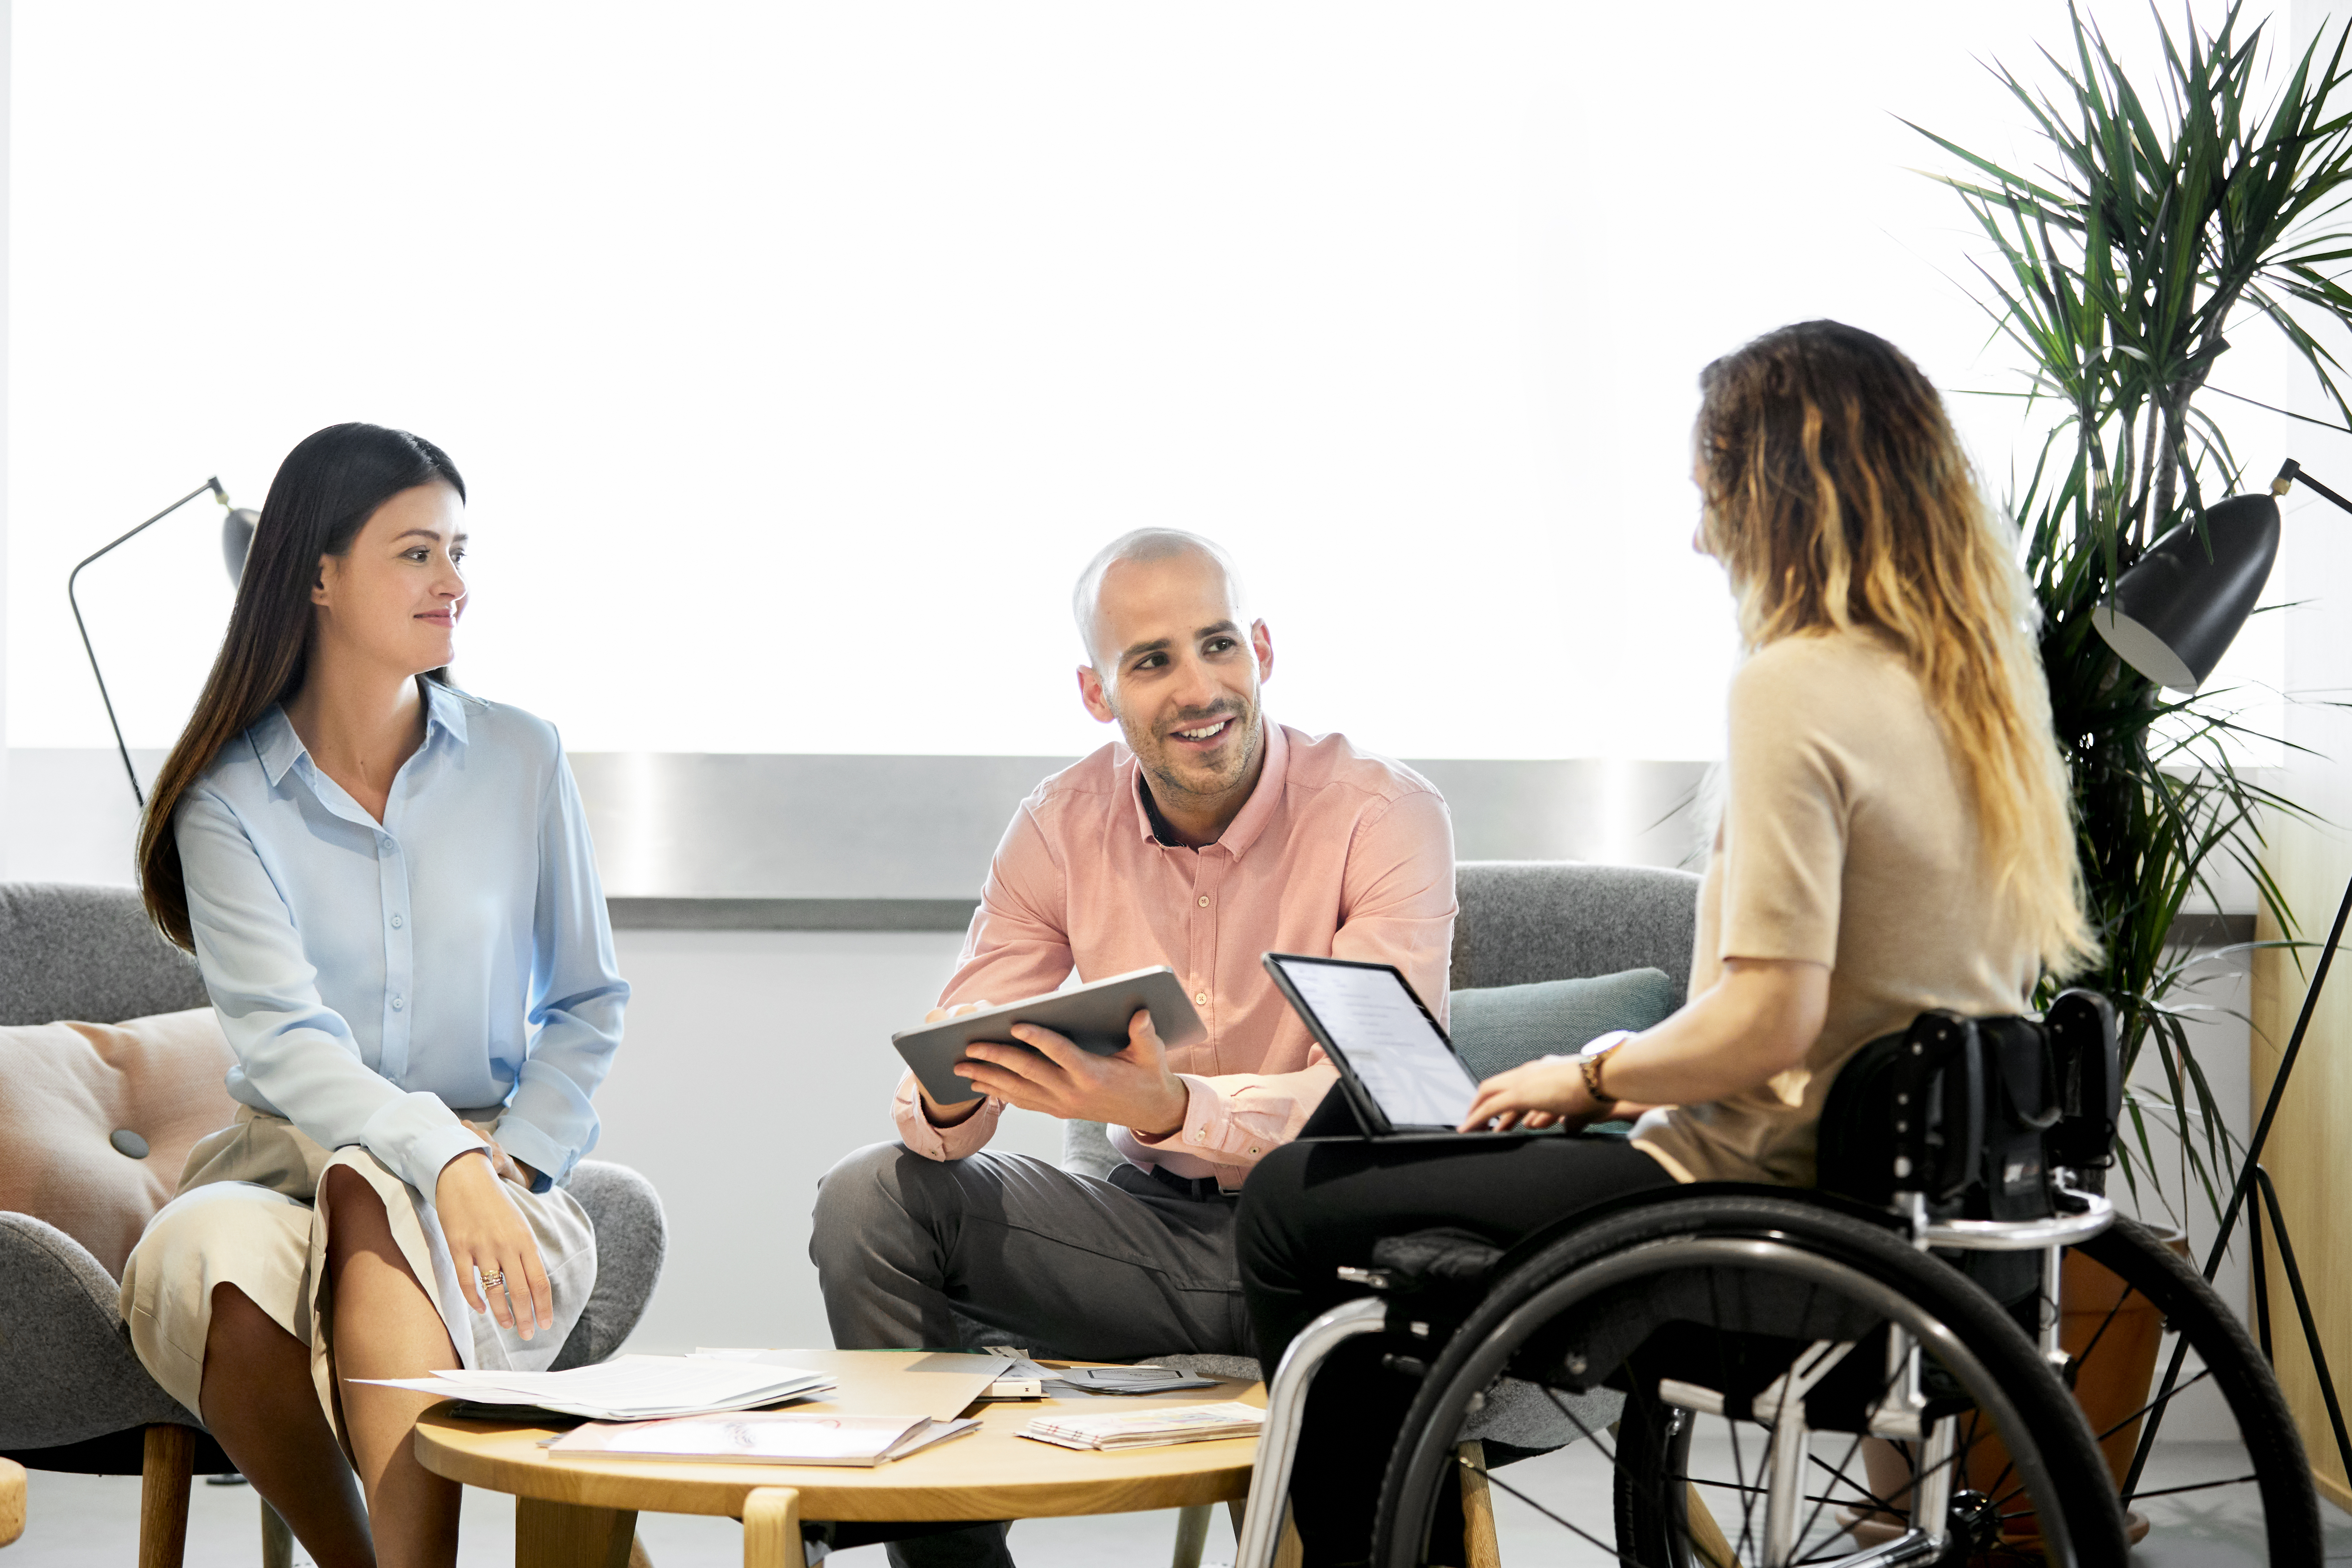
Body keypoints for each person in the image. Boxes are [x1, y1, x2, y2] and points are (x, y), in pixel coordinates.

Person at [1235, 320, 2100, 1566]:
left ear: (1778, 495)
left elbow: (1772, 1019)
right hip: (1915, 1207)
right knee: (1368, 1132)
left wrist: (1588, 1074)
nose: (1701, 538)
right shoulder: (1976, 692)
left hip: (1755, 1201)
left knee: (1286, 1204)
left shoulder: (1798, 684)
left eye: (1709, 498)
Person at [809, 527, 1455, 1568]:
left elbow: (1380, 1103)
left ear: (1263, 649)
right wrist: (957, 1090)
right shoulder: (1059, 824)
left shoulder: (1382, 814)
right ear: (1096, 692)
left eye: (1218, 645)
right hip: (1149, 1238)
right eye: (1152, 662)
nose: (1200, 689)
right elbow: (946, 1081)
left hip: (1333, 1247)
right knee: (870, 1198)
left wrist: (1172, 1108)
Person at [119, 423, 629, 1568]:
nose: (455, 583)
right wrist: (434, 1153)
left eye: (459, 551)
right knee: (205, 1250)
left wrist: (509, 1160)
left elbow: (589, 999)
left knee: (373, 1186)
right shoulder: (226, 800)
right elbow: (286, 1044)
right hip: (280, 1164)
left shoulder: (523, 758)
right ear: (318, 576)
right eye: (416, 553)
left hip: (494, 1175)